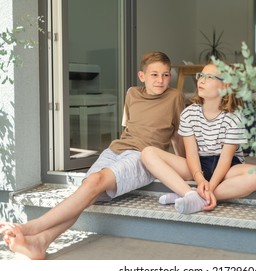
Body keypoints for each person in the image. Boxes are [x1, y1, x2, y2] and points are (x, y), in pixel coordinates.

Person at [0, 51, 185, 259]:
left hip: (143, 157)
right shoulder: (132, 93)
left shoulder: (174, 97)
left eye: (166, 75)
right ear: (142, 76)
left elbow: (178, 136)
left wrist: (183, 169)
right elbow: (128, 128)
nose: (161, 80)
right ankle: (41, 243)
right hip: (116, 150)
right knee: (89, 189)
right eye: (154, 75)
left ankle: (32, 227)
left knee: (94, 182)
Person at [141, 63, 256, 214]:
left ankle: (197, 197)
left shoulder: (234, 118)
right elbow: (191, 154)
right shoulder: (188, 114)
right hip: (197, 165)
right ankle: (189, 193)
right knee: (148, 153)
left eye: (209, 77)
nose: (201, 80)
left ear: (225, 86)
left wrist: (210, 187)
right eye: (201, 76)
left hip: (227, 167)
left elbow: (226, 159)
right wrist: (200, 179)